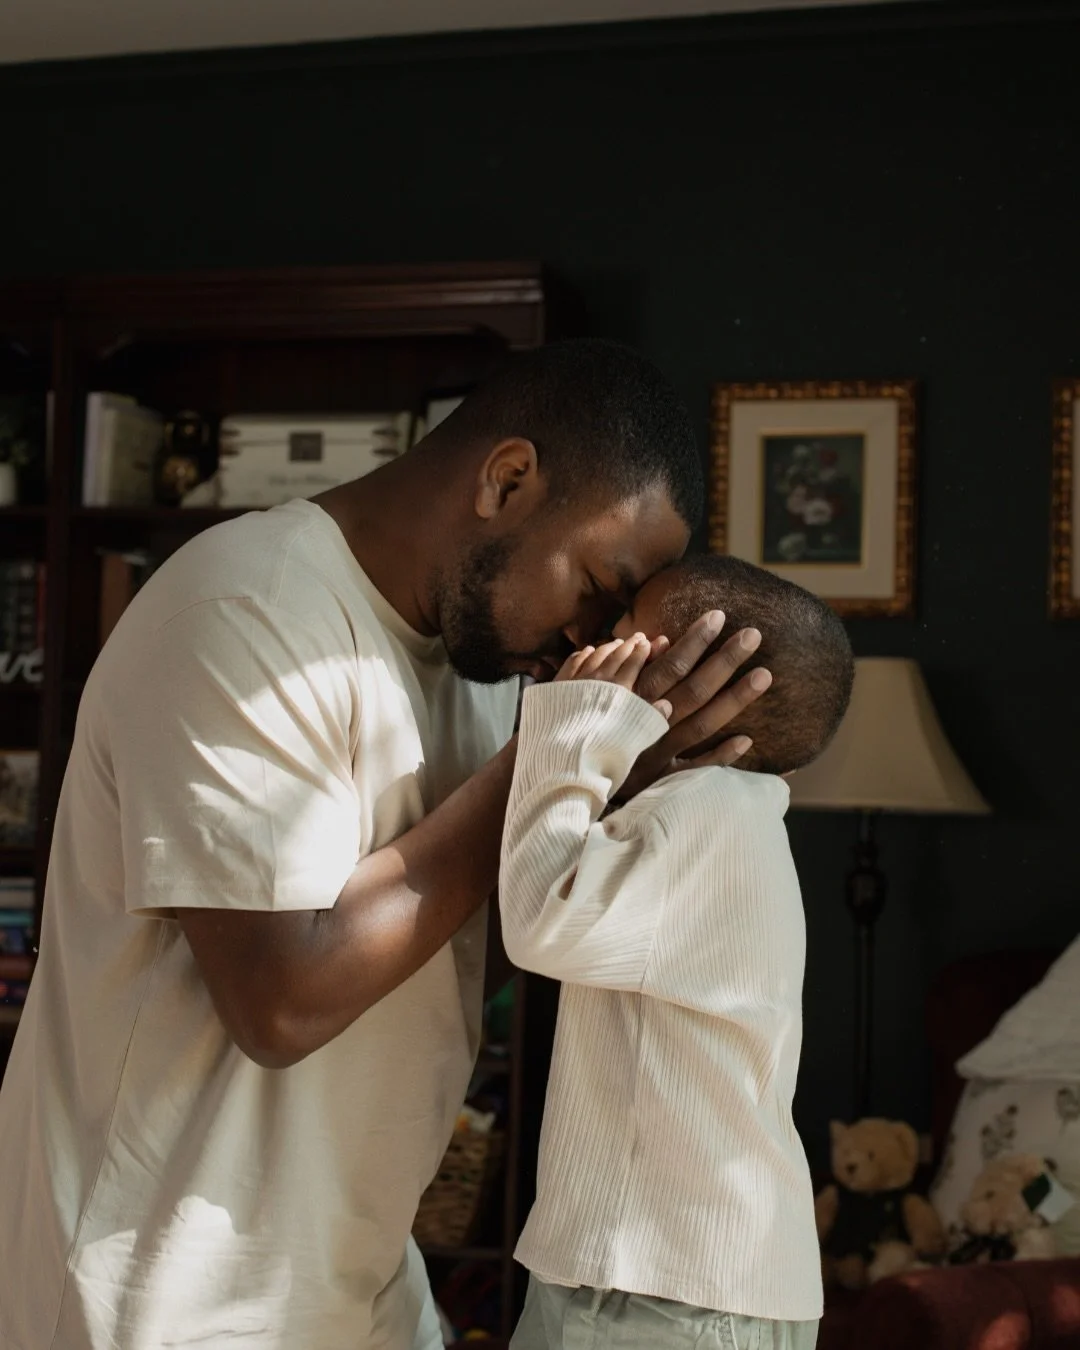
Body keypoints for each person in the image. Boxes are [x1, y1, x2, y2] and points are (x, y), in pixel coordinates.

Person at [0, 340, 771, 1350]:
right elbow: (280, 1001)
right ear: (507, 480)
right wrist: (550, 754)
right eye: (594, 584)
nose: (588, 638)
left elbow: (463, 947)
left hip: (346, 1275)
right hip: (159, 1291)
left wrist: (634, 785)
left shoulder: (487, 673)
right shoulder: (248, 609)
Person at [500, 553, 855, 1350]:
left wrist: (576, 720)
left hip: (671, 1288)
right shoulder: (712, 814)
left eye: (622, 629)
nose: (590, 638)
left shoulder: (706, 815)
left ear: (687, 669)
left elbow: (539, 920)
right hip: (654, 1275)